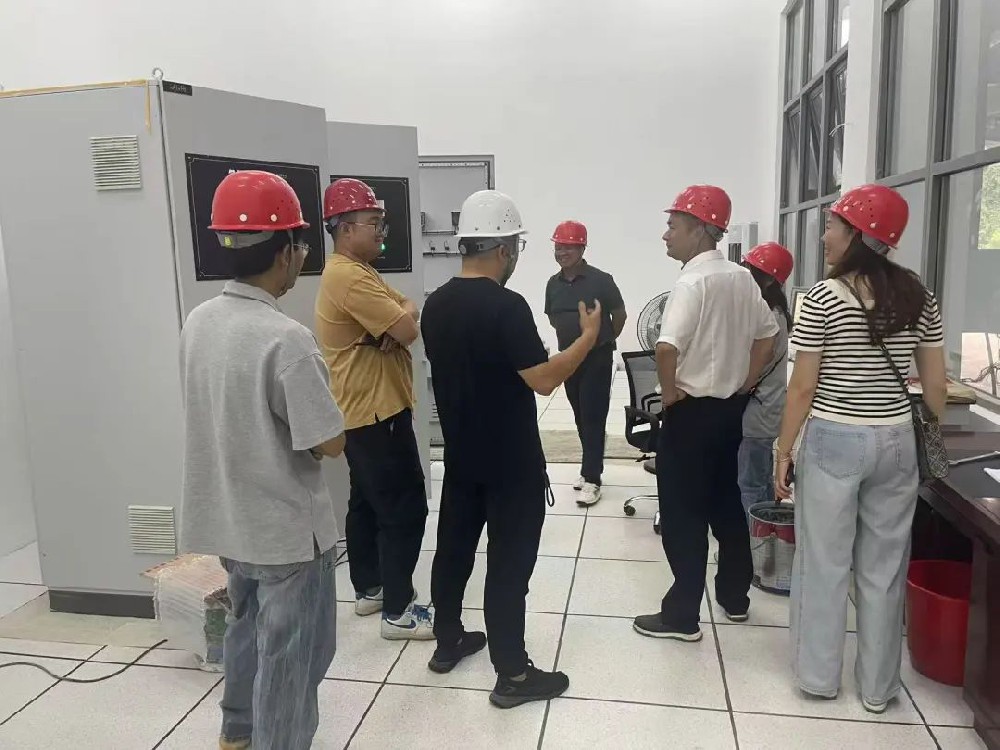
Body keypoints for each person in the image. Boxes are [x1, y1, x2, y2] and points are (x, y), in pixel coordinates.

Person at [179, 170, 346, 750]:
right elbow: (327, 442)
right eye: (300, 245)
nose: (302, 257)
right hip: (287, 533)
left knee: (245, 629)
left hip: (231, 519)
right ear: (284, 253)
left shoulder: (198, 321)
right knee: (293, 658)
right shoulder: (286, 338)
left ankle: (237, 733)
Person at [422, 190, 602, 708]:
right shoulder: (507, 306)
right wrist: (587, 338)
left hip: (461, 456)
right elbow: (543, 380)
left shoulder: (436, 303)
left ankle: (448, 641)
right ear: (504, 249)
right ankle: (514, 674)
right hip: (511, 464)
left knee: (453, 551)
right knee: (508, 566)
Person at [774, 184, 947, 713]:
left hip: (834, 438)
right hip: (896, 442)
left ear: (858, 234)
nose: (824, 235)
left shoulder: (822, 298)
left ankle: (818, 679)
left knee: (824, 564)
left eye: (832, 225)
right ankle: (877, 688)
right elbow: (935, 389)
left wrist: (783, 450)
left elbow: (802, 387)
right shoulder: (919, 296)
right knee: (884, 568)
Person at [632, 185, 778, 642]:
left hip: (691, 414)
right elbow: (768, 335)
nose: (666, 235)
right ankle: (735, 598)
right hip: (730, 411)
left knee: (682, 514)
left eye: (673, 226)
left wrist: (670, 394)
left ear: (699, 229)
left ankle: (681, 617)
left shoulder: (691, 282)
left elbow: (666, 346)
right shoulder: (742, 278)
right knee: (726, 504)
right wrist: (747, 380)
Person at [314, 177, 431, 640]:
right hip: (376, 411)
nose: (382, 231)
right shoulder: (348, 276)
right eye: (373, 222)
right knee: (405, 508)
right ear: (344, 228)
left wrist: (396, 322)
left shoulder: (358, 270)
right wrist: (395, 326)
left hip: (362, 411)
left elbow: (406, 309)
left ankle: (371, 589)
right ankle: (399, 612)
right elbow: (408, 329)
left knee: (365, 502)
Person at [544, 220, 628, 506]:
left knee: (593, 416)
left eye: (568, 247)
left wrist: (603, 340)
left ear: (582, 249)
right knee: (579, 414)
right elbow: (552, 317)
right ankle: (588, 467)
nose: (561, 252)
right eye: (558, 247)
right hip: (569, 358)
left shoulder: (601, 280)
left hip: (597, 358)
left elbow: (620, 315)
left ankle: (593, 478)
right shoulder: (552, 284)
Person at [738, 242, 794, 518]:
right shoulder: (770, 312)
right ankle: (764, 530)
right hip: (763, 410)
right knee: (758, 477)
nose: (745, 276)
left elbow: (753, 366)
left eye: (752, 271)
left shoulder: (770, 317)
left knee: (751, 483)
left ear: (769, 280)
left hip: (759, 413)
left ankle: (754, 538)